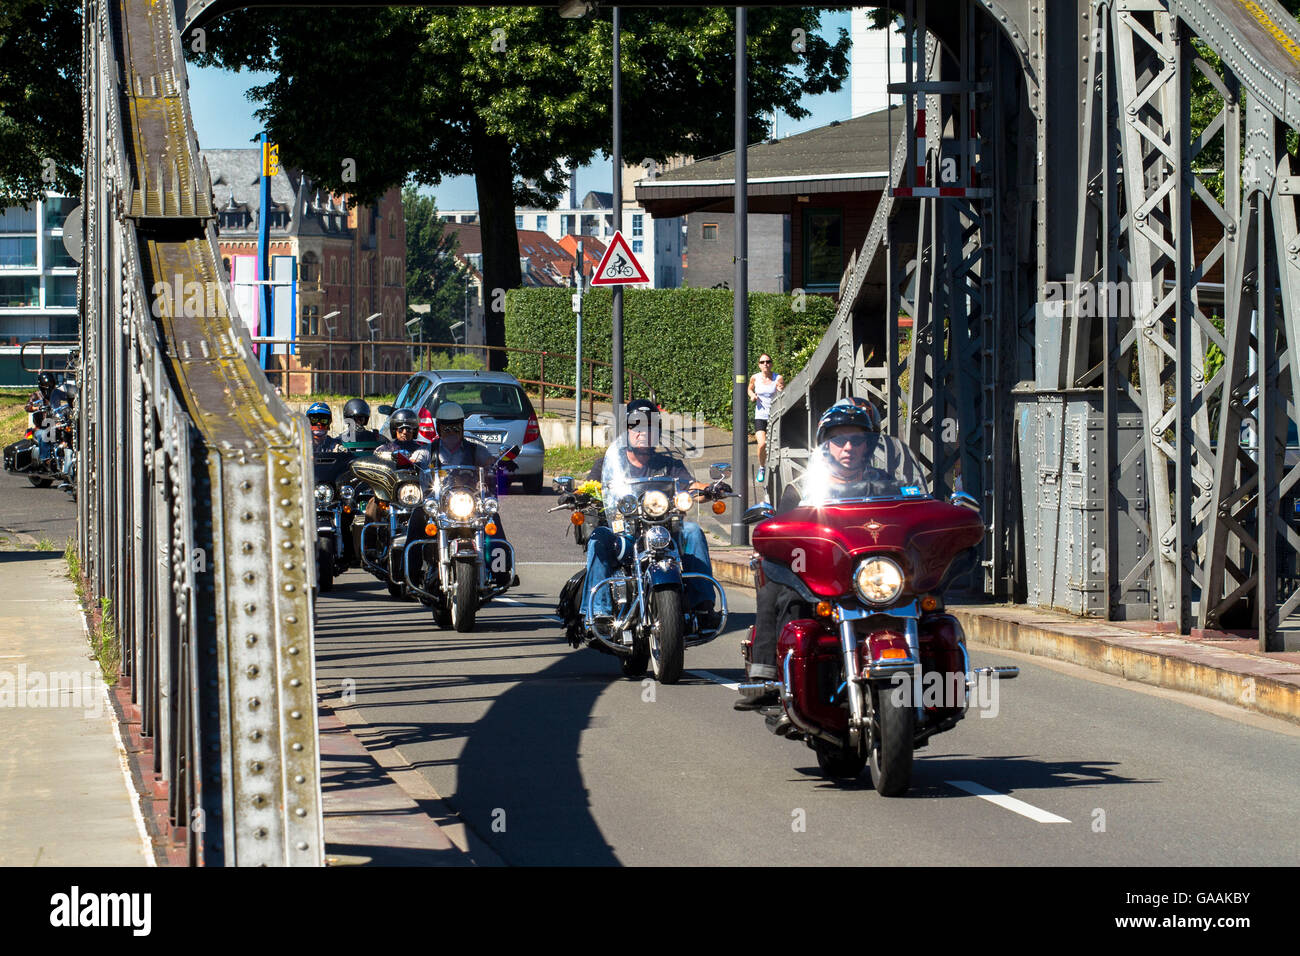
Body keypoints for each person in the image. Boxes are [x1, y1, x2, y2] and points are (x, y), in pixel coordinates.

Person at [736, 396, 926, 710]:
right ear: (826, 445)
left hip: (874, 576)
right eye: (838, 440)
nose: (848, 447)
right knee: (780, 589)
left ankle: (942, 677)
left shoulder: (889, 486)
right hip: (823, 577)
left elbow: (913, 520)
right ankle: (767, 678)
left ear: (869, 445)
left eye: (856, 440)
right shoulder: (801, 489)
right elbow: (783, 540)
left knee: (931, 602)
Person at [580, 398, 724, 631]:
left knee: (693, 531)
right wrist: (575, 495)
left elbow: (691, 486)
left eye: (649, 426)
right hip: (622, 532)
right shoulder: (608, 463)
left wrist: (710, 489)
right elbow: (588, 487)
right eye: (635, 425)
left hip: (664, 530)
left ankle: (703, 607)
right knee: (598, 538)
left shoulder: (669, 464)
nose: (642, 432)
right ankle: (599, 612)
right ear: (627, 429)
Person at [404, 401, 515, 590]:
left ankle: (502, 572)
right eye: (447, 428)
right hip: (438, 502)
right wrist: (407, 462)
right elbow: (414, 460)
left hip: (467, 501)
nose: (452, 432)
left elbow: (489, 461)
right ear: (439, 428)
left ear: (462, 428)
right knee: (416, 518)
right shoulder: (428, 450)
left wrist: (501, 462)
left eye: (456, 427)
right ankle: (410, 575)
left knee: (492, 519)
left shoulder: (474, 448)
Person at [748, 354, 783, 485]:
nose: (765, 364)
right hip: (760, 416)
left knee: (775, 445)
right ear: (759, 364)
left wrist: (780, 389)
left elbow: (782, 392)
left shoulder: (777, 378)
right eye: (762, 362)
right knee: (762, 444)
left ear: (771, 364)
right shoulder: (755, 377)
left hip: (774, 416)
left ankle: (776, 468)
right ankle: (762, 467)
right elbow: (749, 388)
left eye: (768, 362)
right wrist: (752, 395)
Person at [25, 371, 70, 465]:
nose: (49, 386)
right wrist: (37, 407)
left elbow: (67, 397)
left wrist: (73, 398)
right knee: (44, 434)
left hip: (57, 424)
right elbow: (28, 407)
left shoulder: (56, 392)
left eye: (51, 384)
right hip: (41, 427)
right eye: (47, 384)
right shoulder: (36, 395)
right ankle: (46, 459)